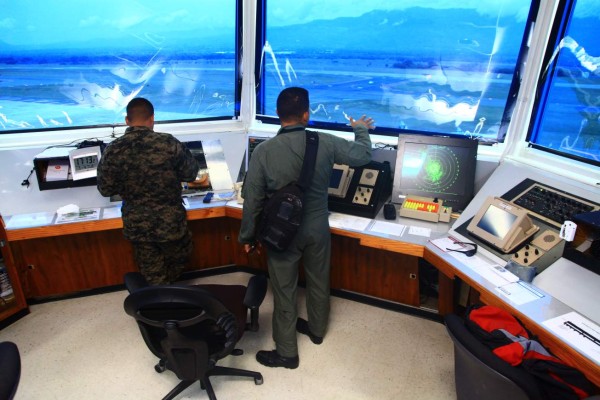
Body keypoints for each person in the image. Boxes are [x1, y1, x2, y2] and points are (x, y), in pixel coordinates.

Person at [239, 87, 373, 369]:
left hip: (281, 233)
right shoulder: (324, 141)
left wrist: (248, 236)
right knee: (318, 279)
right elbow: (361, 156)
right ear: (306, 115)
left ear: (277, 115)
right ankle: (317, 330)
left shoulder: (263, 151)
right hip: (316, 226)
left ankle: (286, 353)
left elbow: (252, 199)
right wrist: (360, 129)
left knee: (284, 290)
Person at [97, 97, 200, 285]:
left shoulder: (113, 150)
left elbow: (105, 189)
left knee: (152, 272)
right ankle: (170, 297)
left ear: (127, 120)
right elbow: (191, 174)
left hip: (137, 224)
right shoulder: (168, 143)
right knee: (180, 258)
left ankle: (159, 300)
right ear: (152, 119)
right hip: (171, 222)